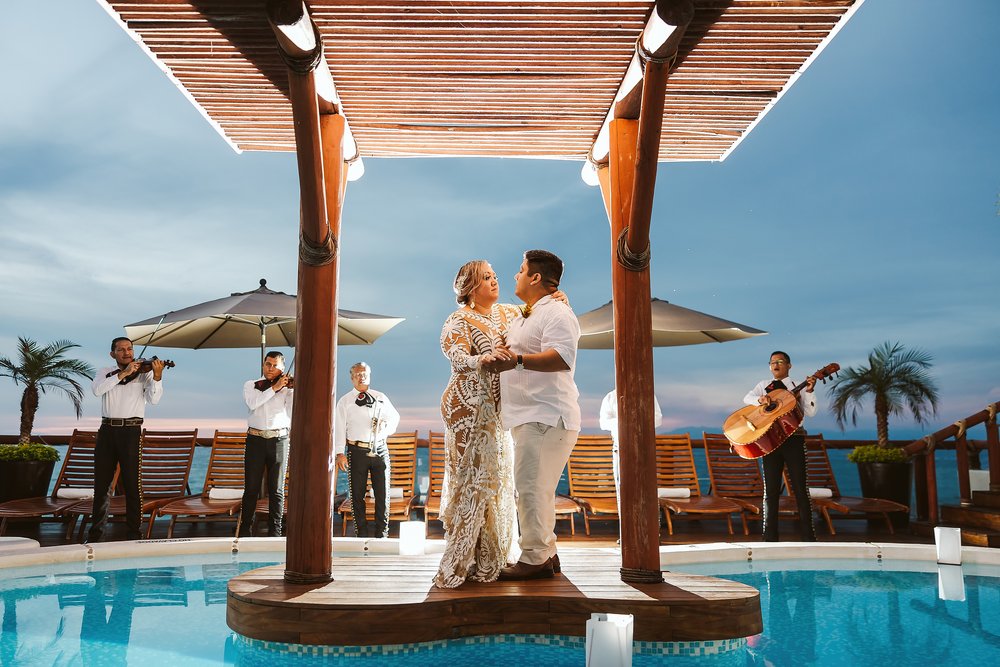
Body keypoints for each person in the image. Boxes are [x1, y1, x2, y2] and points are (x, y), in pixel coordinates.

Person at [485, 249, 581, 581]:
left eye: (520, 270)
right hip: (530, 415)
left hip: (546, 415)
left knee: (529, 488)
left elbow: (563, 357)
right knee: (537, 489)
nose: (515, 275)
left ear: (535, 277)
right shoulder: (529, 314)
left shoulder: (557, 313)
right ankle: (548, 552)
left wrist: (519, 361)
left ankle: (534, 557)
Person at [433, 260, 521, 588]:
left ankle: (489, 556)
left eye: (495, 275)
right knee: (473, 479)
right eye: (486, 277)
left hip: (498, 412)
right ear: (471, 287)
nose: (494, 281)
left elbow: (536, 312)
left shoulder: (510, 313)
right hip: (465, 409)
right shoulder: (458, 319)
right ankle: (461, 558)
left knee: (497, 478)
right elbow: (455, 356)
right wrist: (478, 359)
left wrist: (558, 298)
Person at [89, 337, 165, 542]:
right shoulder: (104, 372)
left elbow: (154, 400)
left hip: (131, 432)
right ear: (112, 354)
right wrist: (124, 373)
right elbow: (97, 391)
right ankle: (95, 535)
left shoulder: (145, 372)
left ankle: (134, 534)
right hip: (107, 431)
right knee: (102, 485)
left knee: (133, 485)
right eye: (121, 350)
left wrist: (157, 377)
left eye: (130, 349)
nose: (127, 353)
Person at [742, 351, 818, 542]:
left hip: (794, 440)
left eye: (780, 361)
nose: (776, 365)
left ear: (789, 366)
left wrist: (809, 391)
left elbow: (811, 412)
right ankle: (769, 537)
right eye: (772, 362)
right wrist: (760, 399)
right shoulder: (764, 385)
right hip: (771, 441)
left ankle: (809, 537)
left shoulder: (797, 386)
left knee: (801, 489)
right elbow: (747, 398)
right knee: (771, 490)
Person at [334, 362, 400, 538]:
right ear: (352, 377)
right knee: (357, 496)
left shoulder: (380, 397)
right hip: (356, 451)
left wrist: (384, 429)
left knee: (382, 494)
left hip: (379, 449)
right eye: (357, 374)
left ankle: (382, 534)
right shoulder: (345, 401)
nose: (361, 377)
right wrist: (340, 453)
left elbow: (394, 418)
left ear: (369, 376)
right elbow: (339, 428)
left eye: (364, 374)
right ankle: (361, 534)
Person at [239, 351, 292, 537]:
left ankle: (275, 532)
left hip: (279, 440)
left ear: (282, 368)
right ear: (263, 364)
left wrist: (293, 390)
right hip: (255, 440)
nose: (271, 368)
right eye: (268, 364)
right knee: (251, 487)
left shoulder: (287, 388)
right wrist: (274, 388)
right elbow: (253, 404)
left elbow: (293, 413)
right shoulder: (251, 385)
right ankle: (245, 531)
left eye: (275, 365)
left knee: (276, 489)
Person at [599, 388, 663, 512]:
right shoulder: (611, 397)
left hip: (644, 448)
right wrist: (626, 420)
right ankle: (624, 525)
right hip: (621, 449)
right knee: (622, 490)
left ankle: (645, 527)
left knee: (645, 489)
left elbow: (658, 418)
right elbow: (603, 423)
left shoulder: (648, 394)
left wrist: (637, 420)